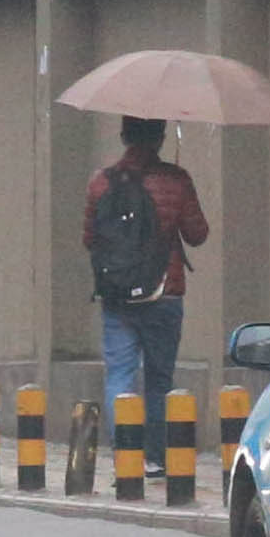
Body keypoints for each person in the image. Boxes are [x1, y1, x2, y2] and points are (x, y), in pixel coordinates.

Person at [82, 116, 212, 466]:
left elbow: (89, 238)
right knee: (159, 379)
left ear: (124, 135)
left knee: (119, 375)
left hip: (116, 295)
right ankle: (155, 459)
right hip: (164, 291)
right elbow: (198, 233)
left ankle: (127, 458)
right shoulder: (176, 180)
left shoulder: (100, 183)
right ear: (160, 137)